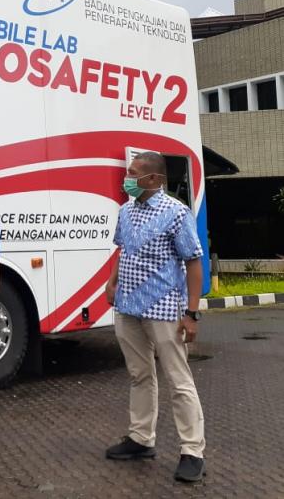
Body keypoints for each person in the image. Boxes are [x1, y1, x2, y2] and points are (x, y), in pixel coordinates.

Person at [104, 151, 206, 483]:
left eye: (133, 174)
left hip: (164, 310)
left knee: (179, 380)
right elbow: (123, 250)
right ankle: (140, 438)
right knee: (139, 375)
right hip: (128, 308)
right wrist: (112, 280)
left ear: (153, 180)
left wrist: (191, 313)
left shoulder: (176, 213)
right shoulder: (125, 210)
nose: (127, 178)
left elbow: (192, 261)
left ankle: (192, 451)